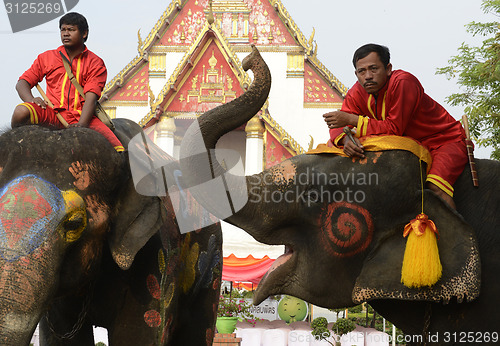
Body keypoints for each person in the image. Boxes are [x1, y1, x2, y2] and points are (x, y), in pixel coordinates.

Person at [323, 43, 467, 209]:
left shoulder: (404, 82)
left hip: (444, 141)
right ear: (356, 74)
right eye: (362, 71)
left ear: (388, 68)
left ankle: (456, 235)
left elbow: (394, 128)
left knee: (435, 187)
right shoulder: (356, 92)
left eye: (373, 69)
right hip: (409, 147)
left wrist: (352, 119)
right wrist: (346, 140)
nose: (368, 76)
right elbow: (338, 123)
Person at [11, 12, 124, 152]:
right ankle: (15, 150)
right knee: (20, 111)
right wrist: (32, 99)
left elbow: (91, 97)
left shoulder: (95, 62)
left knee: (117, 149)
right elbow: (22, 82)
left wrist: (81, 125)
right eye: (63, 30)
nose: (65, 34)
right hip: (52, 113)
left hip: (83, 116)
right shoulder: (47, 57)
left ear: (84, 33)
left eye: (71, 30)